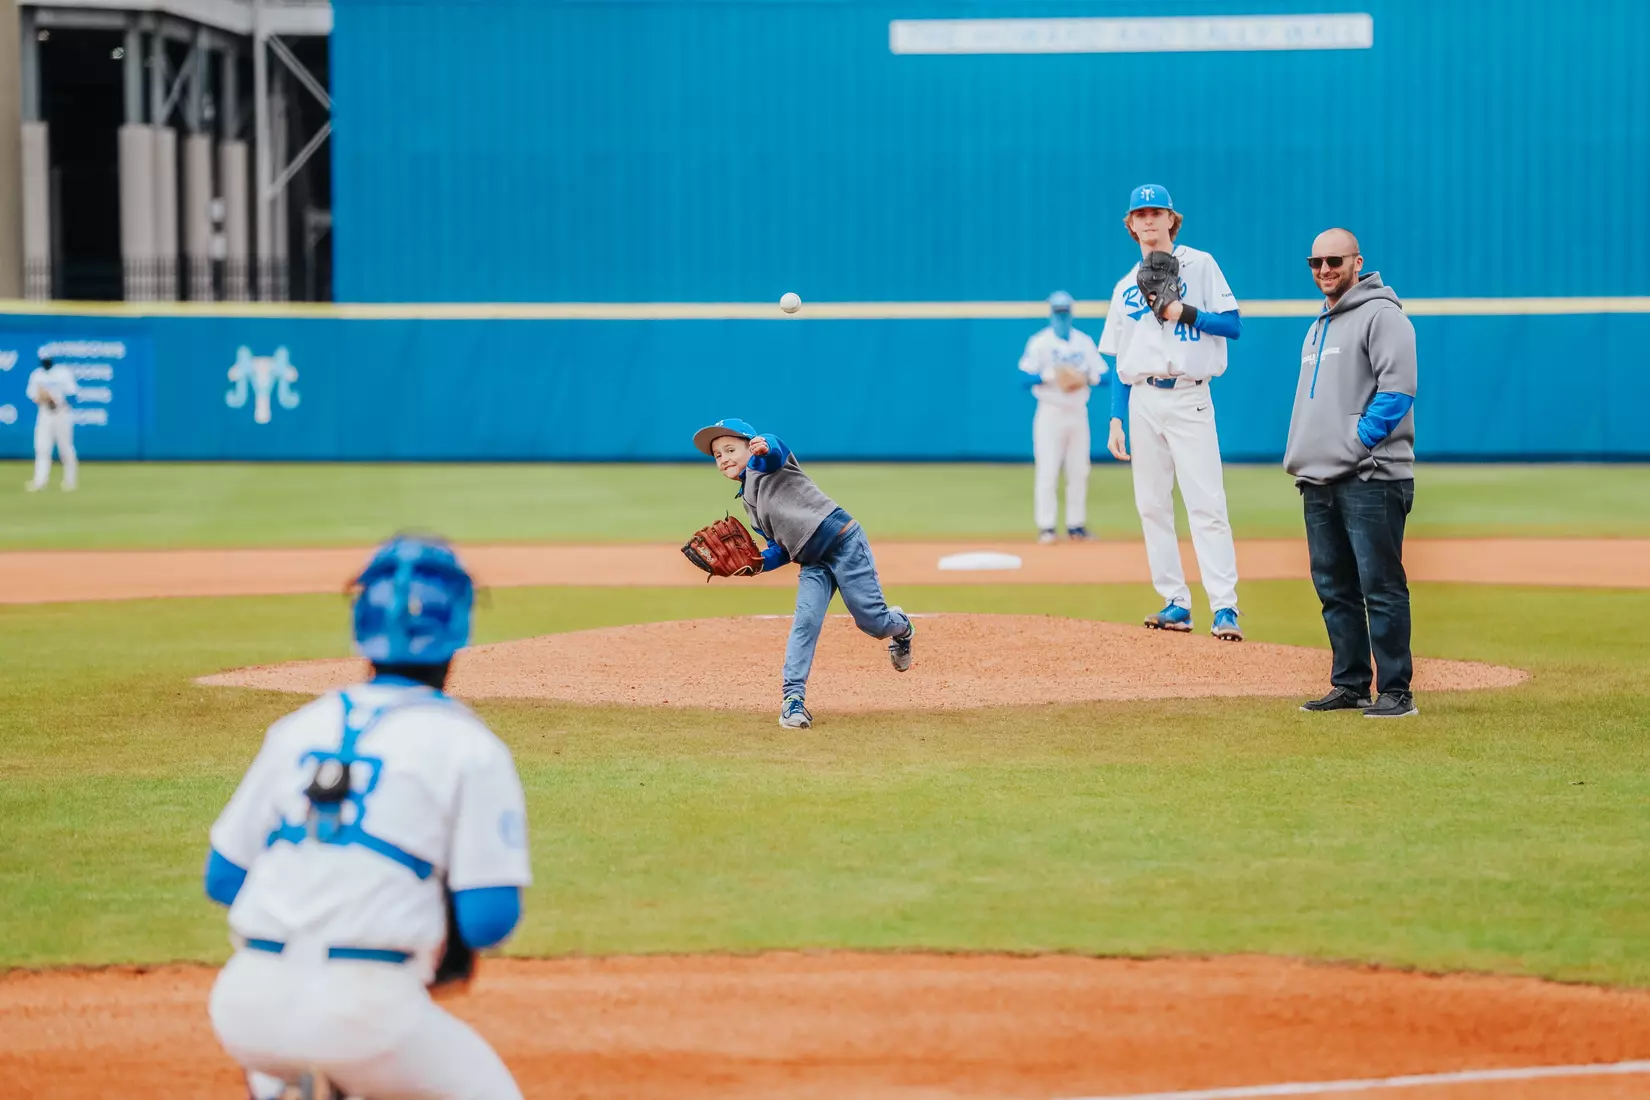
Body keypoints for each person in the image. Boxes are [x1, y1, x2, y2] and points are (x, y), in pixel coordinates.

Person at [204, 535, 532, 1100]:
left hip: (246, 1005)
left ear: (361, 626)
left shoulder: (299, 727)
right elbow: (488, 920)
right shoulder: (469, 746)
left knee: (307, 1062)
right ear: (460, 629)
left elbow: (223, 880)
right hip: (370, 1013)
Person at [694, 417, 914, 729]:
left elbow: (774, 449)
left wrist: (764, 444)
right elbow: (781, 549)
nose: (723, 458)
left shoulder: (765, 462)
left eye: (730, 449)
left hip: (844, 543)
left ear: (749, 445)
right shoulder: (748, 500)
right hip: (813, 561)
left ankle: (901, 628)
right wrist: (756, 563)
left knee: (874, 623)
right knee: (805, 622)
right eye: (717, 455)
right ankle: (792, 700)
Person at [1098, 185, 1244, 641]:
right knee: (1152, 506)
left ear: (1170, 219)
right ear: (1131, 223)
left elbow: (1232, 324)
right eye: (1139, 213)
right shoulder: (1125, 286)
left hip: (1188, 394)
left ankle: (1225, 608)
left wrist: (1185, 312)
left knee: (1207, 504)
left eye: (1155, 212)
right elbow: (1117, 360)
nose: (1147, 220)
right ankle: (1176, 602)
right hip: (1142, 399)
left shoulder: (1200, 264)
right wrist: (1116, 417)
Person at [1285, 229, 1419, 719]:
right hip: (1319, 478)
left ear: (1357, 262)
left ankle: (1397, 691)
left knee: (1380, 585)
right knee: (1334, 586)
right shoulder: (1318, 325)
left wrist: (1354, 443)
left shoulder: (1384, 316)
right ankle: (1350, 683)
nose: (1324, 270)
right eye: (1315, 262)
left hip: (1372, 477)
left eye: (1334, 261)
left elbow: (1398, 390)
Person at [1019, 290, 1106, 544]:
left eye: (1064, 311)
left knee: (1079, 471)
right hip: (1051, 412)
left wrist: (1086, 378)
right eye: (1057, 311)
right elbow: (1022, 378)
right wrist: (1048, 376)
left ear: (1071, 312)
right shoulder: (1040, 342)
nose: (1061, 316)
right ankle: (1046, 527)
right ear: (1051, 313)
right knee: (1047, 470)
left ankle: (1075, 526)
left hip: (1078, 412)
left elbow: (1105, 375)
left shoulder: (1083, 342)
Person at [24, 355, 79, 492]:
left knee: (65, 448)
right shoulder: (37, 375)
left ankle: (70, 481)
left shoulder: (63, 373)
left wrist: (56, 400)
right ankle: (40, 482)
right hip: (45, 414)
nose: (45, 363)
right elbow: (33, 395)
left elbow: (72, 395)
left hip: (62, 413)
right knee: (42, 448)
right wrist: (43, 397)